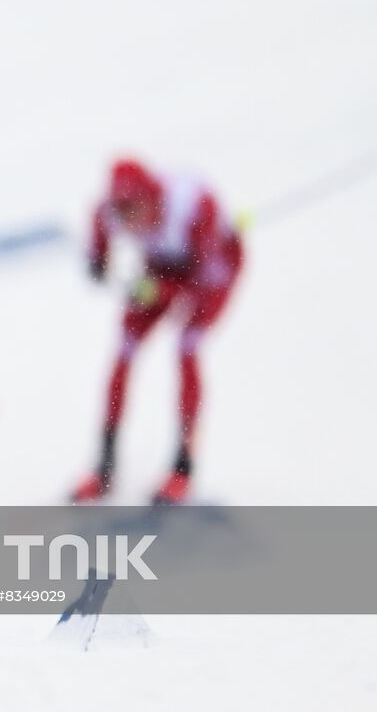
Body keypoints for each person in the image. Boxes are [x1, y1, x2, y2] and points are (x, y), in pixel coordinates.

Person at [71, 159, 243, 505]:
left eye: (134, 210)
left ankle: (182, 468)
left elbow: (198, 278)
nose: (128, 222)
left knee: (186, 347)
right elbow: (99, 232)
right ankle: (104, 466)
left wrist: (157, 291)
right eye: (121, 212)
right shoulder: (112, 212)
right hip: (161, 269)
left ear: (152, 199)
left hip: (213, 271)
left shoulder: (195, 208)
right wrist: (97, 260)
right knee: (123, 350)